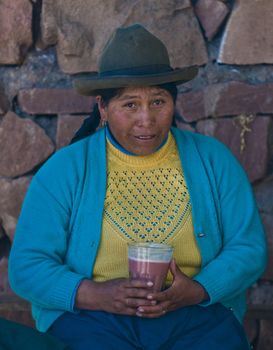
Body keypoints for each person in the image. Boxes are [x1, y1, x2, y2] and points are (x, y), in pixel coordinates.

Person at [8, 23, 267, 350]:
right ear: (103, 107)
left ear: (173, 102)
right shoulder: (65, 170)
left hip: (196, 314)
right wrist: (96, 294)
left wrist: (200, 289)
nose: (146, 119)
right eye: (130, 104)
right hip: (92, 318)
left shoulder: (213, 160)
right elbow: (27, 266)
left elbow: (248, 247)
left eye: (158, 102)